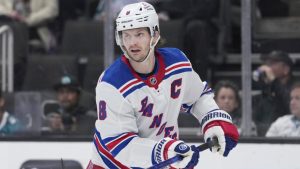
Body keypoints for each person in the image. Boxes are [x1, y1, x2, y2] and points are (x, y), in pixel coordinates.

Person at [87, 2, 239, 168]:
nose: (132, 43)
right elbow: (119, 144)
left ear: (155, 34)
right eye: (126, 35)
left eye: (139, 34)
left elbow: (197, 96)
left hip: (162, 161)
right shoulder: (111, 83)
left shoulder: (177, 63)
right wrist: (165, 151)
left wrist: (213, 119)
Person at [252, 50, 294, 136]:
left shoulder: (296, 88)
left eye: (272, 64)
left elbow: (288, 104)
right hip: (264, 133)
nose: (268, 67)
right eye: (267, 64)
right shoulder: (269, 87)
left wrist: (273, 81)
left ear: (286, 69)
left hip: (286, 133)